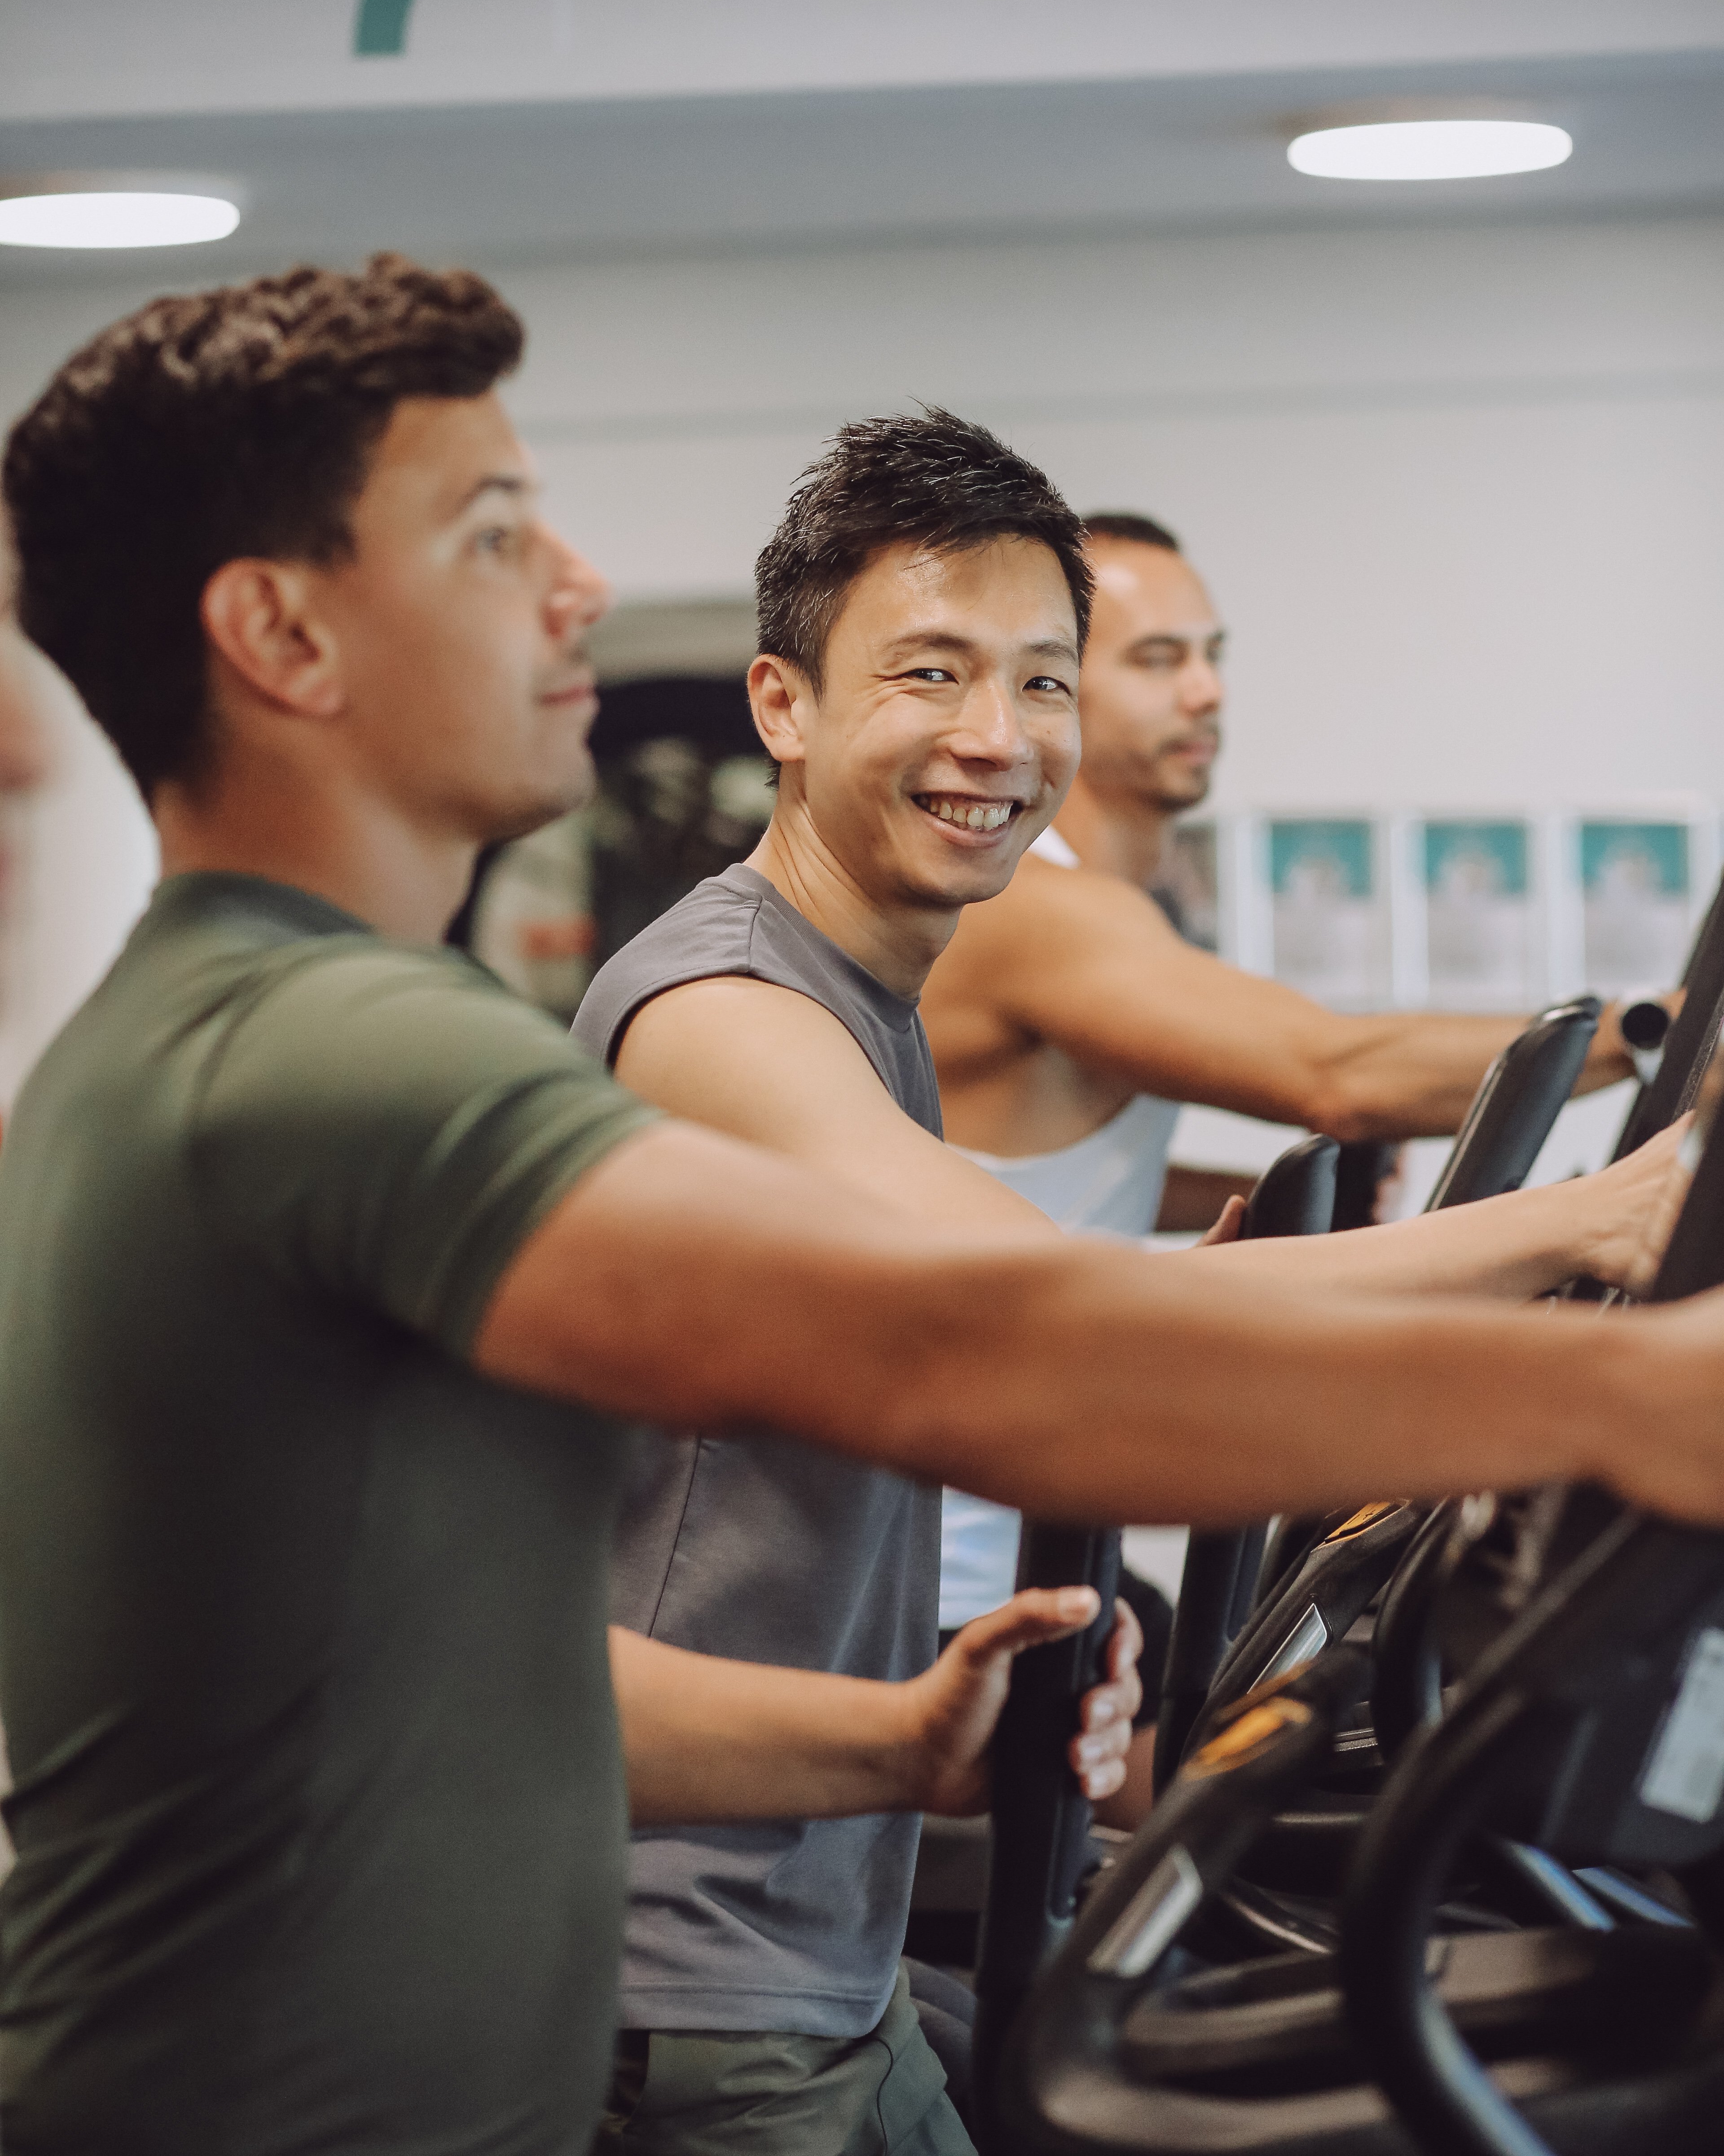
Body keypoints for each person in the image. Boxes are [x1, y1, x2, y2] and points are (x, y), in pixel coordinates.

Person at [0, 268, 1714, 2156]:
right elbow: (990, 1347)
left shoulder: (255, 1025)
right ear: (280, 635)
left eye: (1043, 676)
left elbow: (479, 1664)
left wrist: (898, 1747)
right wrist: (1617, 1385)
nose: (575, 582)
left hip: (673, 1998)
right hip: (578, 2046)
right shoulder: (368, 1049)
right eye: (498, 537)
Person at [572, 409, 1690, 2154]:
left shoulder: (855, 1001)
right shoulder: (721, 1013)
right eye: (930, 675)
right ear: (782, 708)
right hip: (686, 1975)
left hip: (809, 1943)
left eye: (1040, 683)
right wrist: (1590, 1229)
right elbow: (1050, 1335)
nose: (995, 740)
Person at [919, 507, 1658, 1633]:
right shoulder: (1032, 908)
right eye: (1159, 660)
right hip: (954, 1597)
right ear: (1051, 690)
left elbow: (1027, 1178)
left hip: (1046, 1540)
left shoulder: (1109, 909)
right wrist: (1654, 1034)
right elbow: (1337, 1069)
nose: (1208, 693)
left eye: (1212, 658)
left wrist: (1262, 1209)